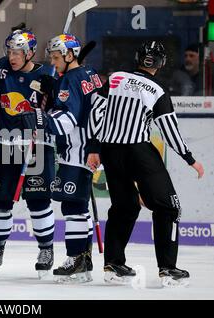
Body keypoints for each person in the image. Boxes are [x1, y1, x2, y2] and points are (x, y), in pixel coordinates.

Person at [87, 40, 204, 287]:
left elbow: (96, 110)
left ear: (138, 58)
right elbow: (169, 130)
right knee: (169, 207)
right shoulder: (157, 90)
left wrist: (94, 148)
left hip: (110, 151)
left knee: (125, 207)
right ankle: (168, 269)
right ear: (161, 64)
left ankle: (113, 265)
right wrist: (189, 158)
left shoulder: (116, 77)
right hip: (137, 151)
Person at [0, 29, 56, 279]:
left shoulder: (47, 73)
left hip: (37, 145)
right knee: (0, 200)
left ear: (30, 53)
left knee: (38, 200)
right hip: (6, 143)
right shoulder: (2, 68)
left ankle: (46, 250)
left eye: (18, 53)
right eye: (10, 52)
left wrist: (51, 92)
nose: (12, 57)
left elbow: (56, 110)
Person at [30, 33, 101, 283]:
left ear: (70, 56)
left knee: (72, 207)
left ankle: (75, 258)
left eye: (57, 57)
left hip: (78, 150)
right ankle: (84, 261)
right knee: (79, 207)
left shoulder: (70, 79)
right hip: (90, 147)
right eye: (51, 57)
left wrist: (42, 119)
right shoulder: (89, 74)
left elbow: (68, 120)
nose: (53, 61)